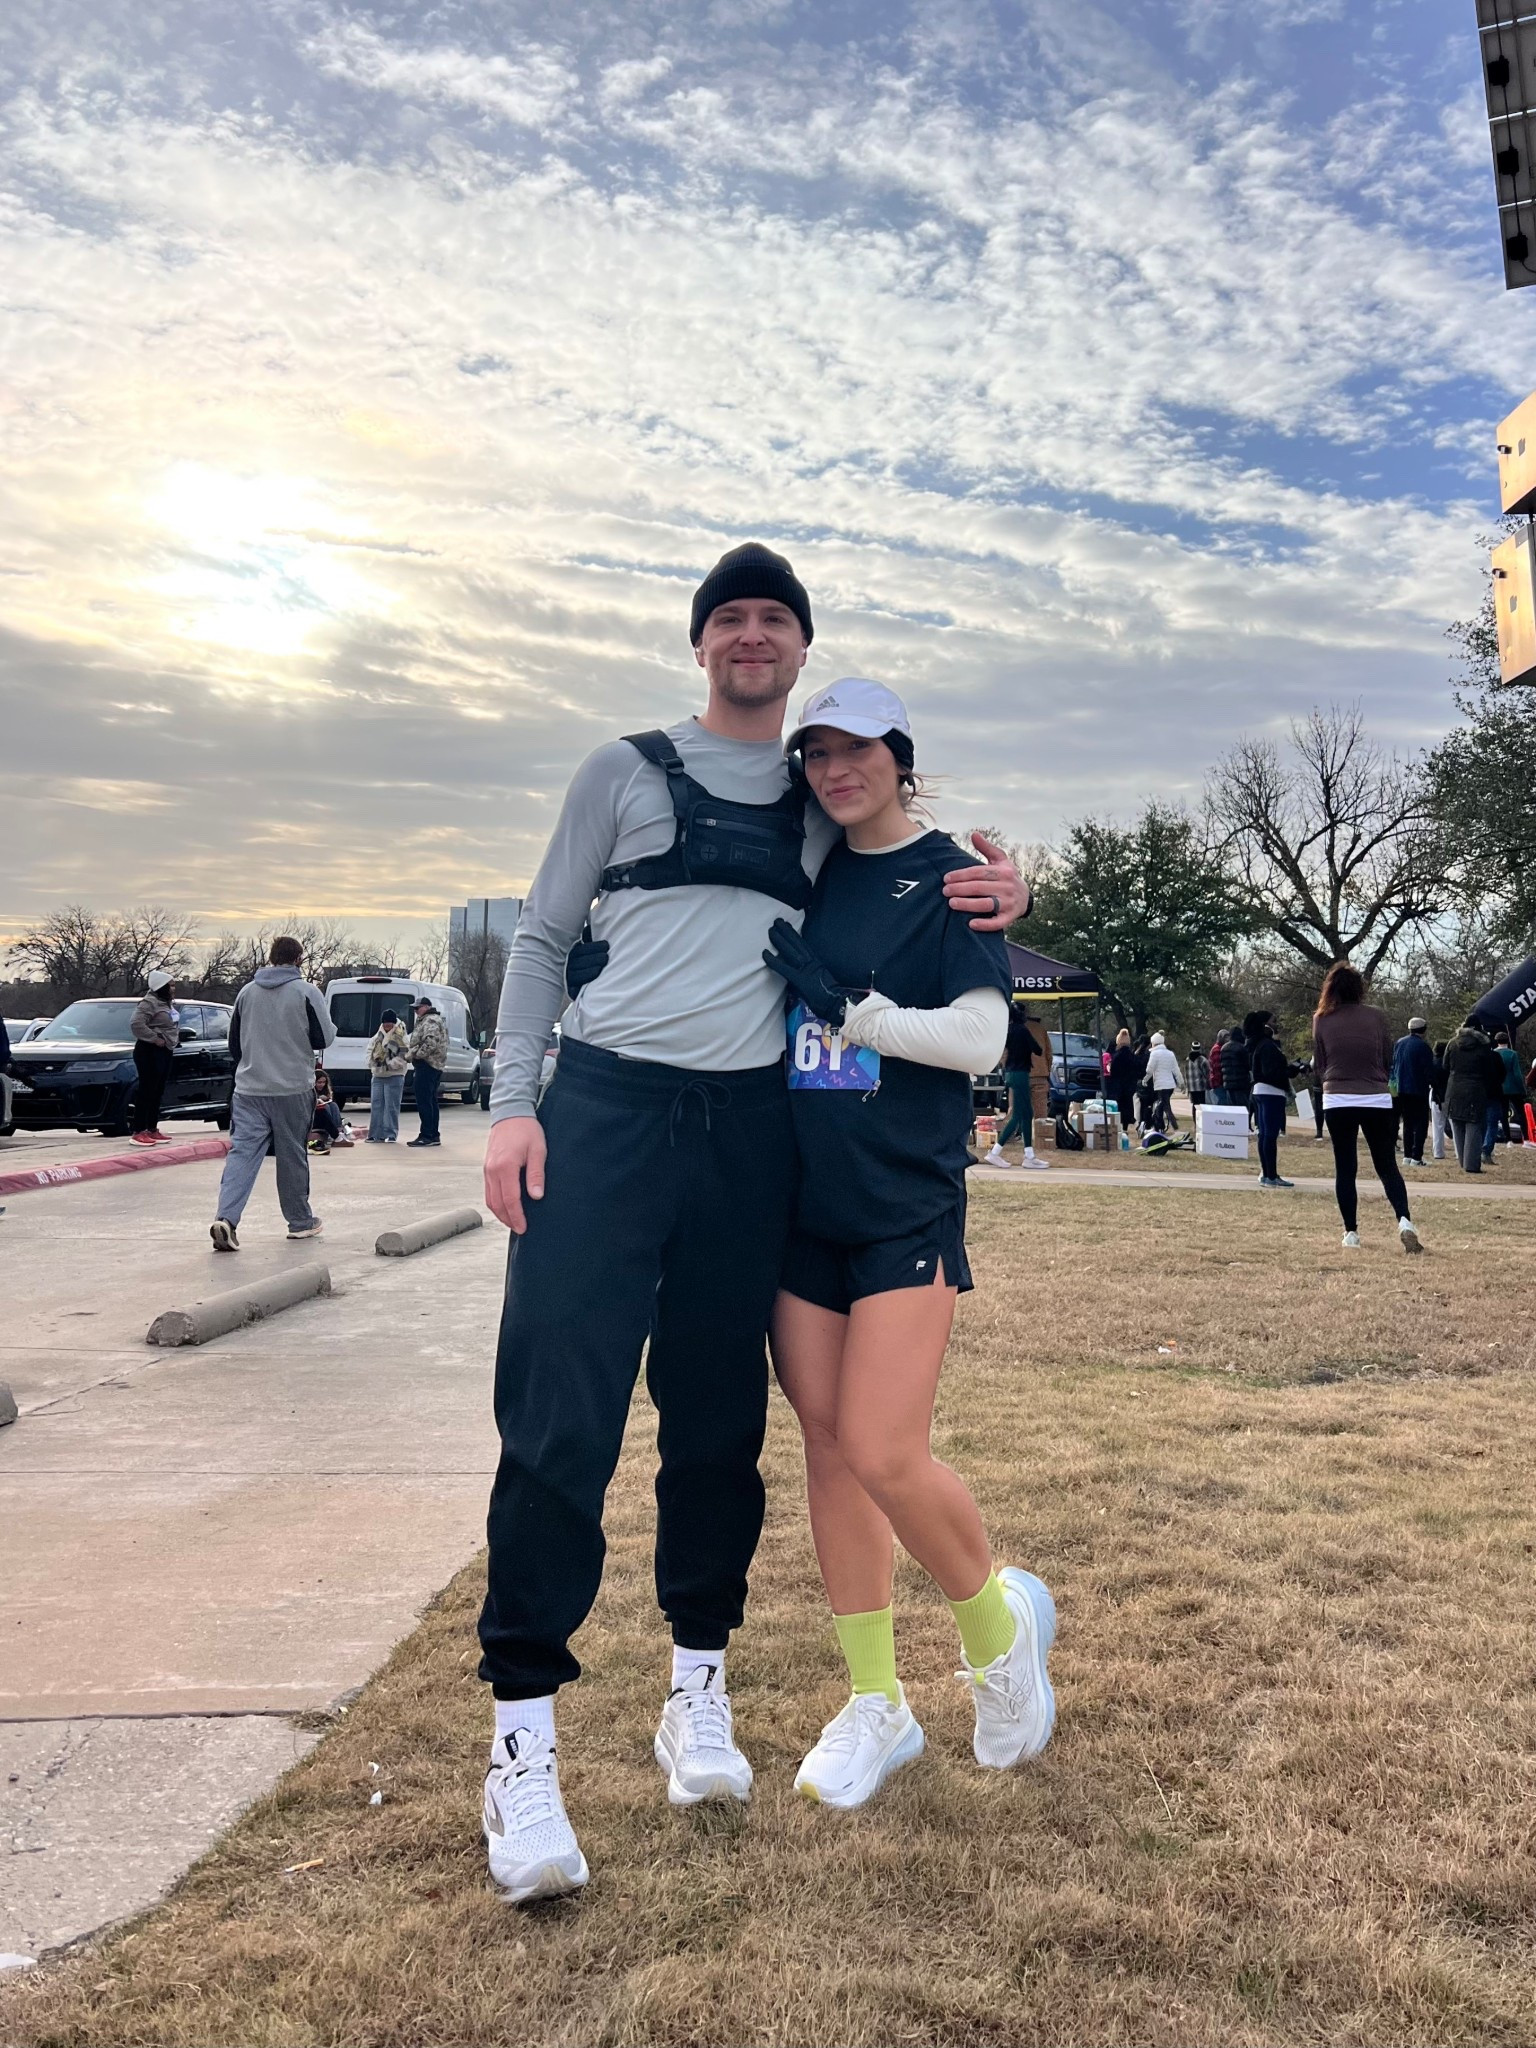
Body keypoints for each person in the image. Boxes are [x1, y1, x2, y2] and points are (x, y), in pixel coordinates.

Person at [475, 546, 1028, 1904]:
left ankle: (697, 1693)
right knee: (562, 1418)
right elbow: (543, 941)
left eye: (775, 620)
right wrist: (511, 1107)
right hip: (604, 1110)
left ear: (801, 650)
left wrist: (1011, 890)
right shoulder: (622, 771)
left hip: (746, 1136)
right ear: (700, 643)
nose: (751, 637)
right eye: (730, 618)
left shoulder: (815, 800)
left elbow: (919, 865)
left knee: (722, 1423)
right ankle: (520, 1748)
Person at [763, 687, 1055, 1808]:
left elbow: (982, 1036)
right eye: (818, 753)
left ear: (900, 758)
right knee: (829, 1451)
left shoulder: (948, 877)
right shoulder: (804, 867)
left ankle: (1000, 1633)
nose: (838, 769)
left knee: (886, 1448)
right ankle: (876, 1701)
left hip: (903, 1205)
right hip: (800, 1209)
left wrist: (859, 1014)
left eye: (858, 749)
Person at [209, 936, 333, 1250]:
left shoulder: (246, 993)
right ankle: (300, 1222)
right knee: (292, 1155)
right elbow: (324, 1038)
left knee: (242, 1153)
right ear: (298, 960)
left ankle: (227, 1218)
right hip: (292, 1087)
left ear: (271, 957)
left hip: (249, 1089)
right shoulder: (306, 992)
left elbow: (234, 1043)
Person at [1311, 961, 1421, 1252]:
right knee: (1386, 1164)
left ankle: (1351, 1232)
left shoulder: (1321, 1018)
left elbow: (1320, 1061)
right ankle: (1404, 1220)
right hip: (1375, 1096)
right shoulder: (1376, 1017)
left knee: (1345, 1167)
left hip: (1337, 1096)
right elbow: (1386, 1056)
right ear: (1360, 988)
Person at [986, 1005, 1049, 1170]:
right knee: (1019, 1115)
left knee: (1026, 1113)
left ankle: (1029, 1154)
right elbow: (1038, 1050)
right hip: (1021, 1073)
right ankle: (995, 1152)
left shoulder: (1007, 1032)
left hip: (1011, 1073)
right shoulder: (1023, 1030)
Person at [1248, 1011, 1300, 1189]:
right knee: (1270, 1135)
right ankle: (1270, 1176)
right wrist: (1291, 1071)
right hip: (1271, 1093)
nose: (1277, 1024)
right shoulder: (1268, 1046)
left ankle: (1267, 1174)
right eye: (1274, 1021)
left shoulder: (1260, 1044)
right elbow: (1273, 1073)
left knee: (1264, 1134)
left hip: (1261, 1092)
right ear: (1265, 1025)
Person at [1443, 1017, 1501, 1175]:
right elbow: (1489, 1071)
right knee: (1474, 1127)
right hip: (1475, 1089)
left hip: (1454, 1088)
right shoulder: (1483, 1046)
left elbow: (1445, 1066)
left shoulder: (1452, 1043)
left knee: (1457, 1125)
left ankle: (1462, 1162)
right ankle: (1472, 1165)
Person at [129, 969, 180, 1146]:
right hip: (149, 1051)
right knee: (147, 1089)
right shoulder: (148, 1003)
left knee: (157, 1090)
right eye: (171, 985)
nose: (173, 989)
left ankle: (152, 1128)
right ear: (161, 987)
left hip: (165, 1050)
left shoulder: (166, 1004)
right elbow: (136, 1024)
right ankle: (138, 1130)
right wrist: (154, 1038)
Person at [1390, 1017, 1433, 1168]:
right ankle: (1417, 1157)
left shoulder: (1399, 1043)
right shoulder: (1423, 1047)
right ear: (1424, 1029)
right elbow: (1428, 1070)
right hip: (1417, 1089)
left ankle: (1407, 1156)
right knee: (1421, 1124)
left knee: (1407, 1123)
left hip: (1400, 1089)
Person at [407, 997, 448, 1147]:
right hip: (433, 1065)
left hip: (428, 1065)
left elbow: (430, 1042)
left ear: (426, 1007)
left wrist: (416, 1055)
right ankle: (433, 1134)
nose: (416, 1011)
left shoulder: (430, 1021)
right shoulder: (432, 1019)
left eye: (418, 1008)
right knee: (431, 1101)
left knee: (425, 1101)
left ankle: (427, 1135)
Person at [367, 1009, 410, 1142]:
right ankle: (375, 1134)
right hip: (378, 1076)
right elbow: (369, 1051)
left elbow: (404, 1056)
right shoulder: (377, 1036)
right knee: (376, 1105)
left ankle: (391, 1134)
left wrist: (388, 1065)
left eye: (389, 1023)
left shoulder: (401, 1036)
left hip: (395, 1075)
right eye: (385, 1023)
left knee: (391, 1107)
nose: (387, 1026)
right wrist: (372, 1064)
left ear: (394, 1023)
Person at [1142, 1031, 1182, 1131]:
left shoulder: (1154, 1054)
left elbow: (1149, 1070)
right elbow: (1176, 1070)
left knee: (1164, 1105)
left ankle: (1172, 1125)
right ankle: (1159, 1125)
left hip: (1160, 1084)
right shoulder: (1170, 1054)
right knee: (1162, 1104)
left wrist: (1145, 1080)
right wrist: (1181, 1083)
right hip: (1170, 1085)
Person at [1494, 1029, 1525, 1146]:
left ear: (1496, 1041)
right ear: (1507, 1041)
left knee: (1503, 1114)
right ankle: (1525, 1138)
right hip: (1514, 1088)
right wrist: (1522, 1089)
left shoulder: (1494, 1054)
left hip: (1500, 1088)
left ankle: (1508, 1139)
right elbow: (1517, 1074)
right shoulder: (1513, 1054)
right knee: (1520, 1113)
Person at [1107, 1028, 1140, 1136]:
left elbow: (1113, 1071)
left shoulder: (1116, 1056)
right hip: (1129, 1086)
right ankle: (1127, 1126)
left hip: (1118, 1085)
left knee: (1120, 1107)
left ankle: (1130, 1124)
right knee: (1128, 1105)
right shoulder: (1132, 1056)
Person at [309, 1066, 346, 1154]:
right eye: (319, 1082)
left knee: (333, 1105)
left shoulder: (325, 1090)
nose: (322, 1084)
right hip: (313, 1116)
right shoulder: (309, 1092)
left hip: (320, 1114)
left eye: (324, 1082)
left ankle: (338, 1130)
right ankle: (334, 1134)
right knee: (325, 1107)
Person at [1220, 1024, 1251, 1115]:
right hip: (1241, 1083)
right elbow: (1248, 1065)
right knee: (1243, 1109)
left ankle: (1235, 1127)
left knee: (1232, 1109)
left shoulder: (1223, 1048)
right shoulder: (1241, 1048)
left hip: (1228, 1082)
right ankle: (1246, 1126)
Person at [1429, 1038, 1450, 1162]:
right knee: (1454, 1124)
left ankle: (1438, 1152)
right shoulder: (1448, 1064)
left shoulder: (1432, 1063)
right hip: (1448, 1095)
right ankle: (1460, 1152)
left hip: (1435, 1095)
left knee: (1437, 1126)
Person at [1207, 1028, 1230, 1106]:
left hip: (1219, 1082)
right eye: (1225, 1037)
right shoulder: (1217, 1049)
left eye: (1228, 1037)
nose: (1227, 1039)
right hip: (1218, 1082)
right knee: (1222, 1104)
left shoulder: (1221, 1048)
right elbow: (1217, 1067)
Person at [1187, 1041, 1209, 1114]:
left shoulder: (1187, 1060)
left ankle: (1196, 1122)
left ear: (1191, 1048)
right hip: (1201, 1087)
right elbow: (1207, 1073)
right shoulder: (1203, 1060)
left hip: (1191, 1087)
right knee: (1202, 1106)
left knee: (1194, 1105)